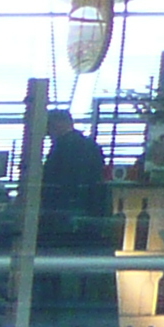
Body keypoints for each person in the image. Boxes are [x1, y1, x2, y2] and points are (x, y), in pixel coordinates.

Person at [39, 107, 112, 250]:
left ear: (57, 124)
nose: (47, 132)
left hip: (63, 214)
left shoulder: (62, 148)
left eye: (49, 126)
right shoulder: (91, 146)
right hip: (88, 213)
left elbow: (55, 182)